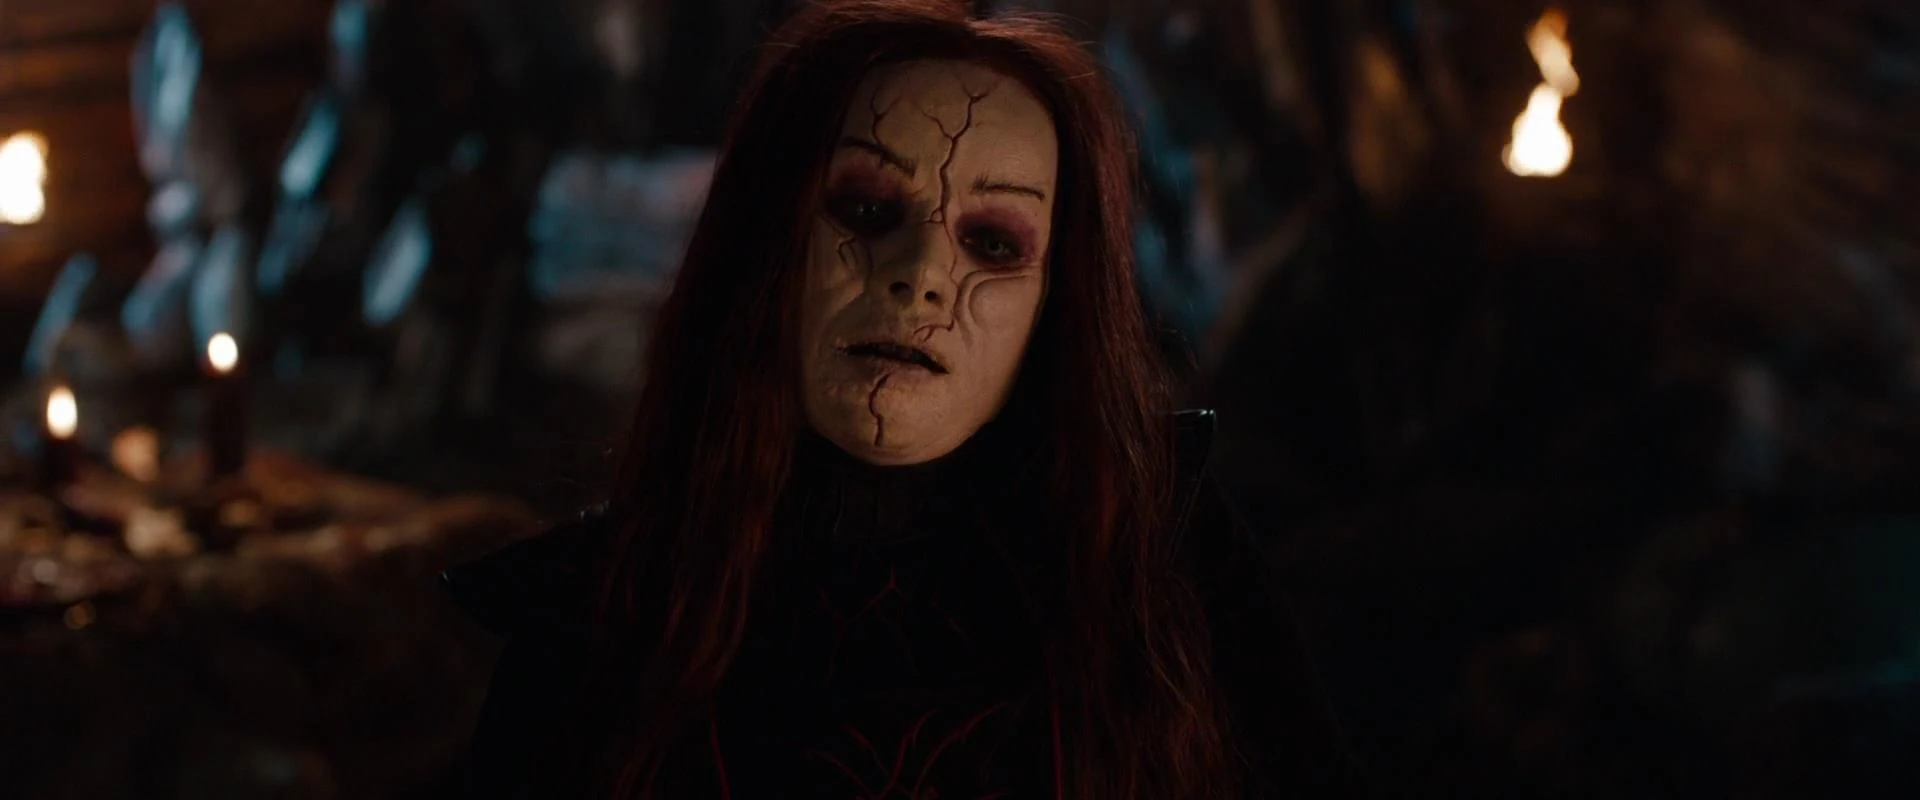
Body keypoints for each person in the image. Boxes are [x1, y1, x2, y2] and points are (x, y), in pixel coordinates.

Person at [443, 1, 1365, 796]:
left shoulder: (1162, 551)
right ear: (766, 246)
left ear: (1055, 303)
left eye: (993, 242)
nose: (922, 275)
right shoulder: (602, 611)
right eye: (865, 210)